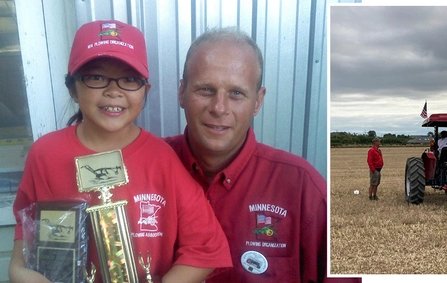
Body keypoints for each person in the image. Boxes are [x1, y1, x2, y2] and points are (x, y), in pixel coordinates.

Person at [9, 20, 232, 283]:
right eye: (96, 77)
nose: (113, 91)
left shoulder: (162, 158)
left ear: (145, 91)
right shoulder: (44, 155)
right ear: (72, 88)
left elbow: (205, 250)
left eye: (129, 79)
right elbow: (21, 261)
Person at [164, 28, 361, 282]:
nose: (219, 108)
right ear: (182, 92)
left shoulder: (303, 189)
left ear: (258, 101)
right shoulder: (143, 168)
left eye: (236, 93)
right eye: (205, 89)